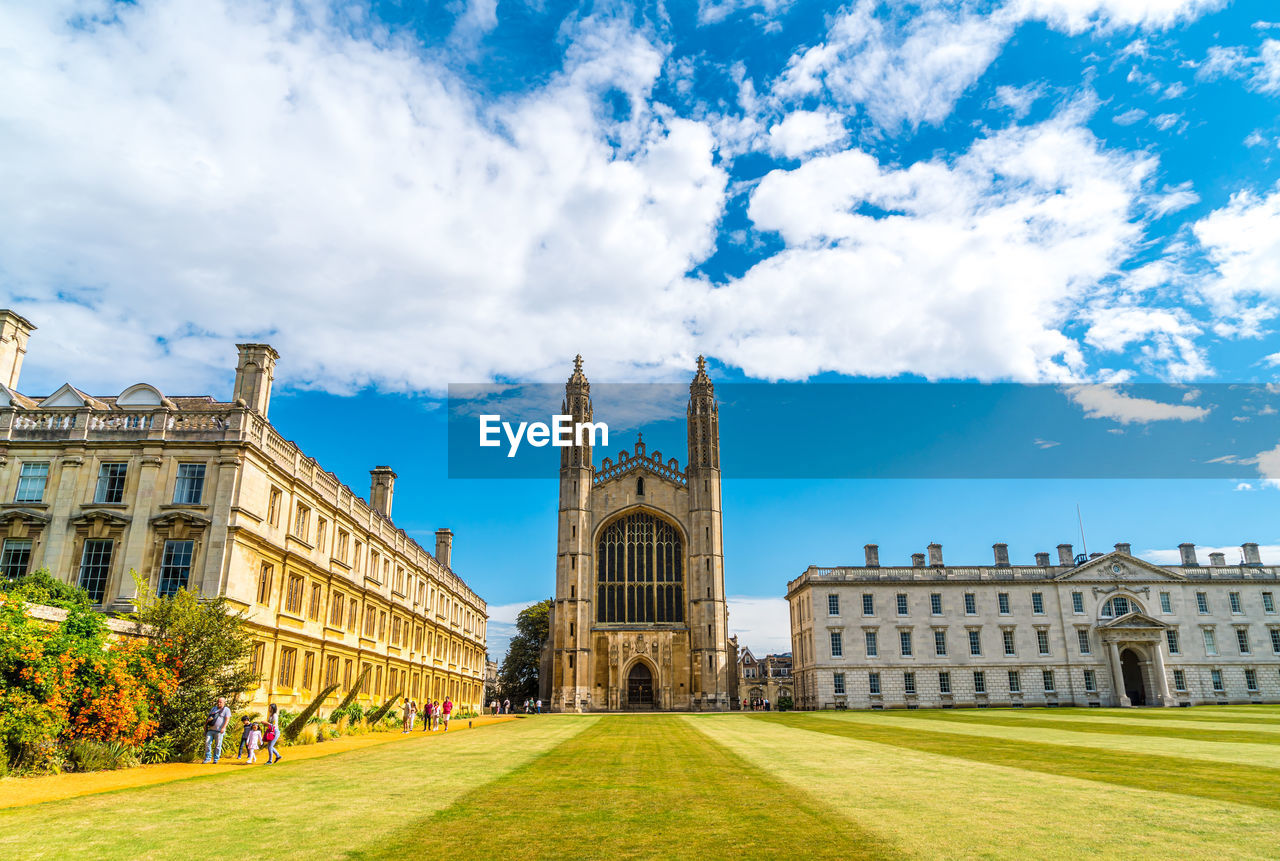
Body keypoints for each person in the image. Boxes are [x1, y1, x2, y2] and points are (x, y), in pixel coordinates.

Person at [203, 696, 232, 764]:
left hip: (219, 731)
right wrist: (205, 725)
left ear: (224, 703)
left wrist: (223, 727)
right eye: (218, 702)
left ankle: (216, 759)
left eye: (220, 702)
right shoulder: (213, 709)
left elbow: (227, 719)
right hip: (210, 730)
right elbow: (209, 718)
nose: (219, 703)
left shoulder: (226, 710)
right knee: (207, 743)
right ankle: (208, 758)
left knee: (218, 745)